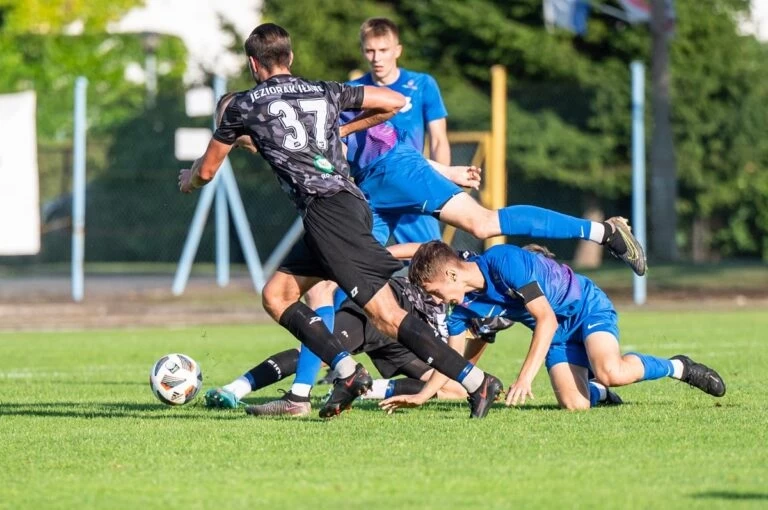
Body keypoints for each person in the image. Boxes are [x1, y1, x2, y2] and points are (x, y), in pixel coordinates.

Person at [179, 23, 505, 419]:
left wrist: (190, 178)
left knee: (387, 316)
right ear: (290, 57)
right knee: (278, 295)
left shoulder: (243, 105)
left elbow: (207, 171)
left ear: (252, 64)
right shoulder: (323, 89)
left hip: (329, 213)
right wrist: (342, 128)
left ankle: (472, 381)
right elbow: (394, 102)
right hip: (345, 204)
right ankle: (320, 387)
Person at [381, 240, 726, 413]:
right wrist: (423, 395)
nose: (436, 300)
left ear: (451, 274)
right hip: (557, 334)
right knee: (575, 405)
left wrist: (524, 378)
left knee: (611, 371)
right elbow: (451, 358)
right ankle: (600, 393)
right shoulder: (462, 307)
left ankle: (678, 367)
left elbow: (544, 318)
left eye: (434, 292)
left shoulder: (504, 261)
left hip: (585, 308)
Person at [205, 275, 477, 416]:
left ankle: (365, 389)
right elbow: (415, 250)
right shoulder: (469, 266)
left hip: (404, 337)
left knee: (454, 389)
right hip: (385, 310)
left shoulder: (485, 303)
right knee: (317, 351)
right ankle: (235, 390)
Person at [350, 17, 450, 243]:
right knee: (359, 257)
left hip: (413, 183)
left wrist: (441, 183)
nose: (376, 58)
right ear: (363, 51)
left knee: (429, 257)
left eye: (383, 50)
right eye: (370, 51)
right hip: (371, 189)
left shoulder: (423, 84)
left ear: (397, 50)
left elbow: (438, 140)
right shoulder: (353, 91)